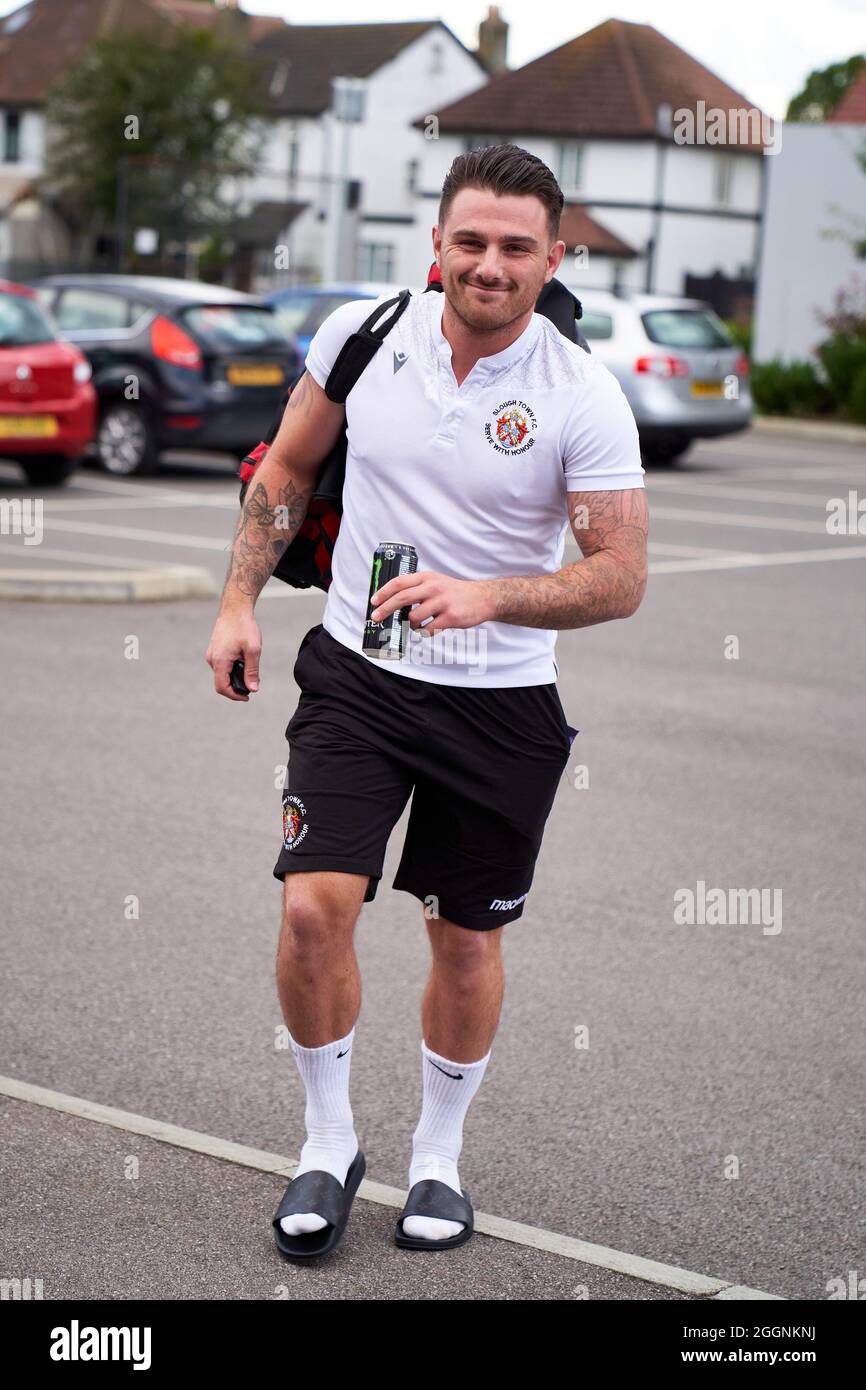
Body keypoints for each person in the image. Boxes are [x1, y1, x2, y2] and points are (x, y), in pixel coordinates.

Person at [205, 142, 649, 1256]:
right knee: (313, 909)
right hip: (356, 673)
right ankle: (325, 1142)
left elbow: (618, 575)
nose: (487, 264)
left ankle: (437, 1161)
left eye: (513, 246)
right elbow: (286, 473)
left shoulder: (578, 395)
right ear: (435, 246)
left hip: (498, 705)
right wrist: (235, 603)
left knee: (462, 941)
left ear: (552, 257)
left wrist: (487, 593)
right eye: (468, 241)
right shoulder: (364, 335)